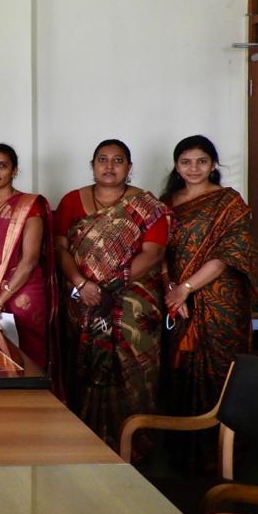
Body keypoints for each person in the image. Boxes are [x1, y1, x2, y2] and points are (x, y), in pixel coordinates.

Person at [54, 138, 169, 451]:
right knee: (81, 365)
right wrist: (81, 283)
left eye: (118, 160)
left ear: (129, 167)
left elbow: (154, 253)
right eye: (102, 159)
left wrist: (110, 285)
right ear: (92, 165)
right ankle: (82, 441)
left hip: (133, 299)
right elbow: (60, 249)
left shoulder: (146, 205)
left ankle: (133, 445)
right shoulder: (71, 201)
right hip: (82, 298)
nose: (109, 166)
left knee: (134, 369)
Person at [161, 135, 258, 432]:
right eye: (186, 162)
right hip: (176, 298)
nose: (194, 168)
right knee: (179, 370)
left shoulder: (229, 202)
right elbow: (157, 251)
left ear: (213, 165)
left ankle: (226, 445)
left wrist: (186, 288)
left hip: (221, 298)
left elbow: (228, 255)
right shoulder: (165, 203)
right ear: (176, 166)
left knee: (221, 371)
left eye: (201, 161)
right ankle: (183, 445)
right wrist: (171, 288)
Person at [0, 143, 56, 376]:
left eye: (2, 166)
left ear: (14, 170)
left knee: (28, 357)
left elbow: (29, 261)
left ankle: (32, 398)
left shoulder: (29, 207)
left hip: (22, 292)